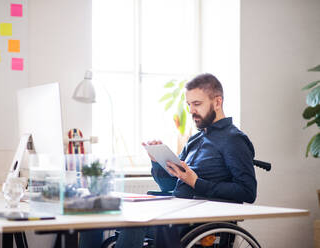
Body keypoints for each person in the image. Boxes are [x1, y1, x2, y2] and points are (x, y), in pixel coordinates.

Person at [79, 73, 257, 248]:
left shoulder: (234, 140)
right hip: (176, 209)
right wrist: (158, 162)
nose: (191, 110)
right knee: (94, 216)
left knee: (134, 221)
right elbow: (170, 186)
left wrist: (196, 182)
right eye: (189, 104)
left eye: (197, 104)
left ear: (217, 102)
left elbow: (247, 192)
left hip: (197, 220)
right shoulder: (196, 139)